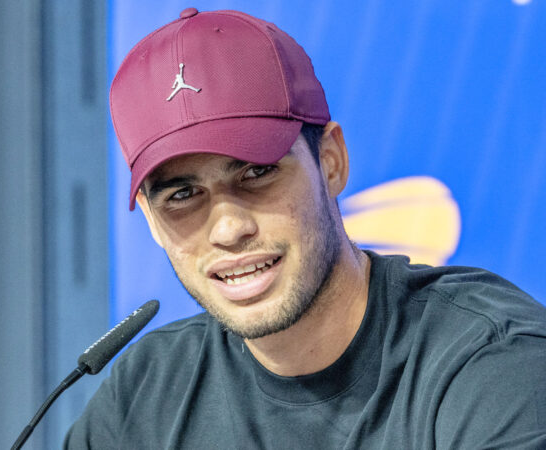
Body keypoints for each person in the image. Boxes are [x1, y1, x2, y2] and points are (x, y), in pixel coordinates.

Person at [65, 8, 546, 449]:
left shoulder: (492, 363)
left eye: (257, 171)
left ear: (331, 162)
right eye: (183, 195)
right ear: (151, 221)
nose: (229, 228)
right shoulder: (144, 397)